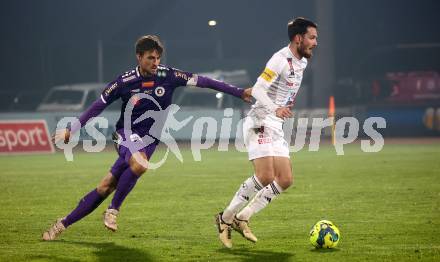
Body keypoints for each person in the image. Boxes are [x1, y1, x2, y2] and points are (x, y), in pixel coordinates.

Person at [42, 35, 252, 241]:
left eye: (158, 58)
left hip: (150, 141)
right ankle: (113, 210)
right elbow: (99, 105)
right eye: (150, 58)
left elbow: (205, 81)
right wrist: (72, 129)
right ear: (139, 57)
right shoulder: (124, 82)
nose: (155, 62)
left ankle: (61, 225)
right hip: (125, 134)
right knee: (140, 164)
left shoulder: (168, 76)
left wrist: (240, 92)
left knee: (105, 186)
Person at [215, 17, 318, 248]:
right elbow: (258, 89)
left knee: (285, 179)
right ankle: (225, 217)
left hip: (275, 125)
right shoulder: (280, 59)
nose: (315, 43)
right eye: (312, 37)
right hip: (259, 120)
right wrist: (275, 108)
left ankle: (243, 217)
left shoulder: (302, 62)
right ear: (298, 38)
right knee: (265, 176)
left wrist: (279, 110)